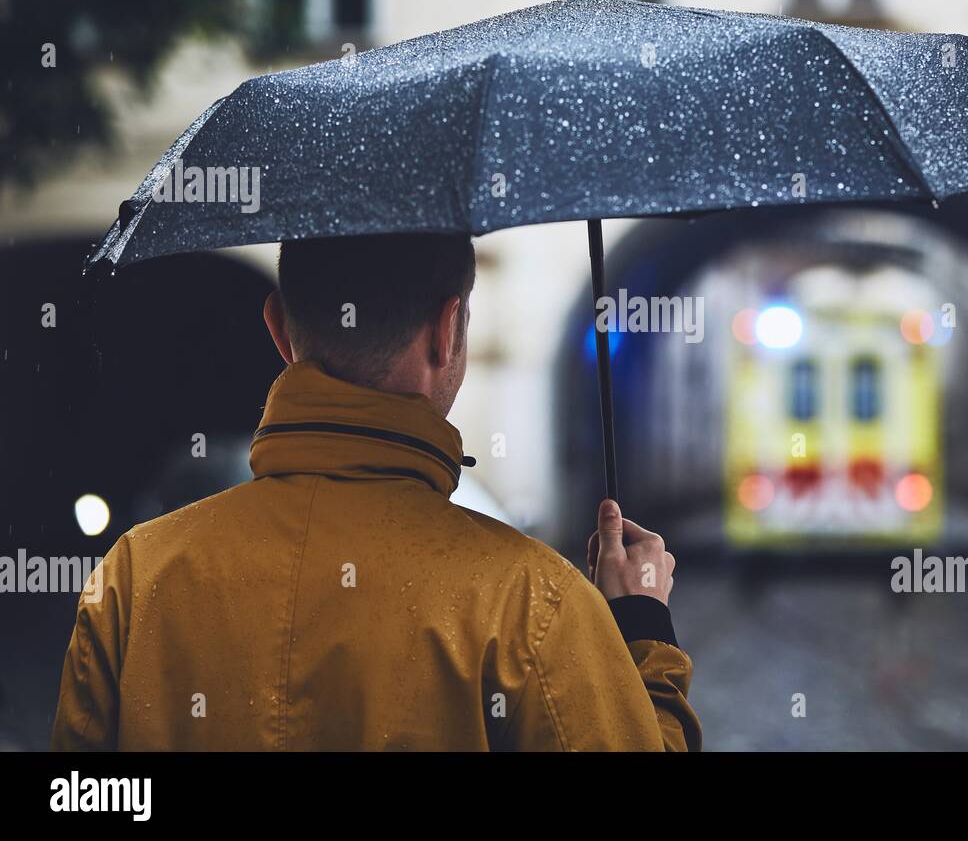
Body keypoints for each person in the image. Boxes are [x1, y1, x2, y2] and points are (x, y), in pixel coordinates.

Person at [51, 233, 701, 751]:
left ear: (279, 330)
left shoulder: (134, 577)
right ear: (448, 331)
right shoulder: (533, 600)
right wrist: (643, 632)